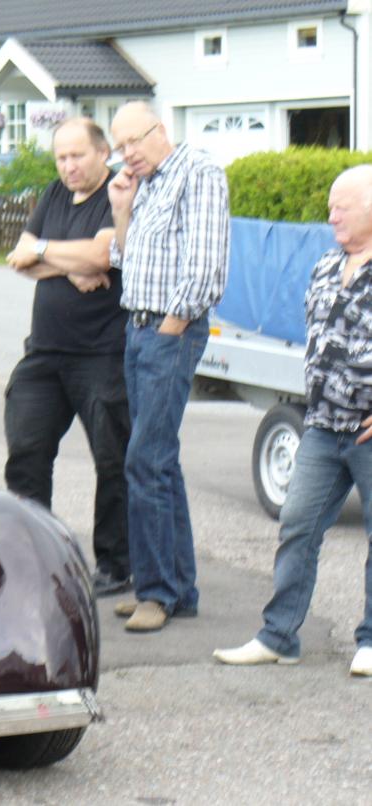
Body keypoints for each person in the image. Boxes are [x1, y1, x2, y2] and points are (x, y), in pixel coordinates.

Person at [213, 165, 372, 677]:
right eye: (330, 206)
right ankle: (278, 637)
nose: (332, 215)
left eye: (341, 206)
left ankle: (370, 642)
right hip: (322, 426)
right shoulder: (326, 264)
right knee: (297, 527)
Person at [107, 101, 229, 632]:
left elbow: (206, 269)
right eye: (120, 147)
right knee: (159, 459)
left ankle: (155, 593)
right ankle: (178, 589)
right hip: (138, 327)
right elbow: (124, 259)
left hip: (168, 330)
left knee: (145, 459)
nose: (127, 154)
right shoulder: (146, 184)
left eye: (134, 141)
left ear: (161, 129)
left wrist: (171, 328)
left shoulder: (198, 172)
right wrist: (122, 210)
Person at [4, 117, 130, 597]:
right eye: (61, 157)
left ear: (102, 153)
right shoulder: (55, 194)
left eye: (77, 155)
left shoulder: (116, 193)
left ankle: (115, 565)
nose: (68, 166)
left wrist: (47, 253)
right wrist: (68, 267)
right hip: (45, 353)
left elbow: (102, 256)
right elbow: (19, 257)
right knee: (27, 453)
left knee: (112, 462)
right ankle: (33, 557)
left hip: (101, 354)